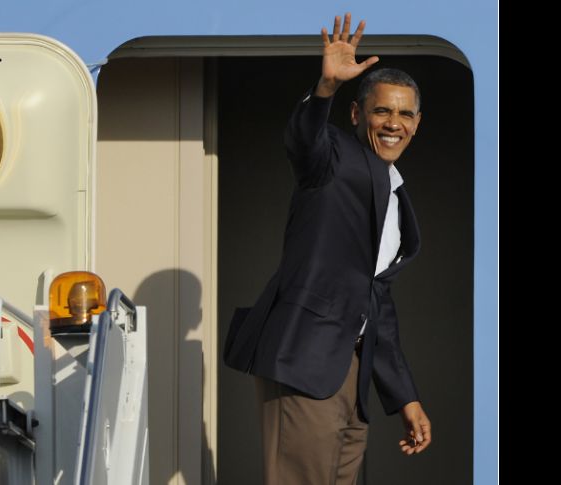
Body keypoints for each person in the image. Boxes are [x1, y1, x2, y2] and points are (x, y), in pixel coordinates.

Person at [223, 13, 432, 485]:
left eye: (404, 114)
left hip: (352, 374)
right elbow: (304, 141)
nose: (393, 123)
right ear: (358, 115)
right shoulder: (333, 158)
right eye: (382, 111)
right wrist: (326, 88)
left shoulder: (397, 197)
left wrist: (405, 398)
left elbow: (377, 303)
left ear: (417, 124)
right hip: (306, 358)